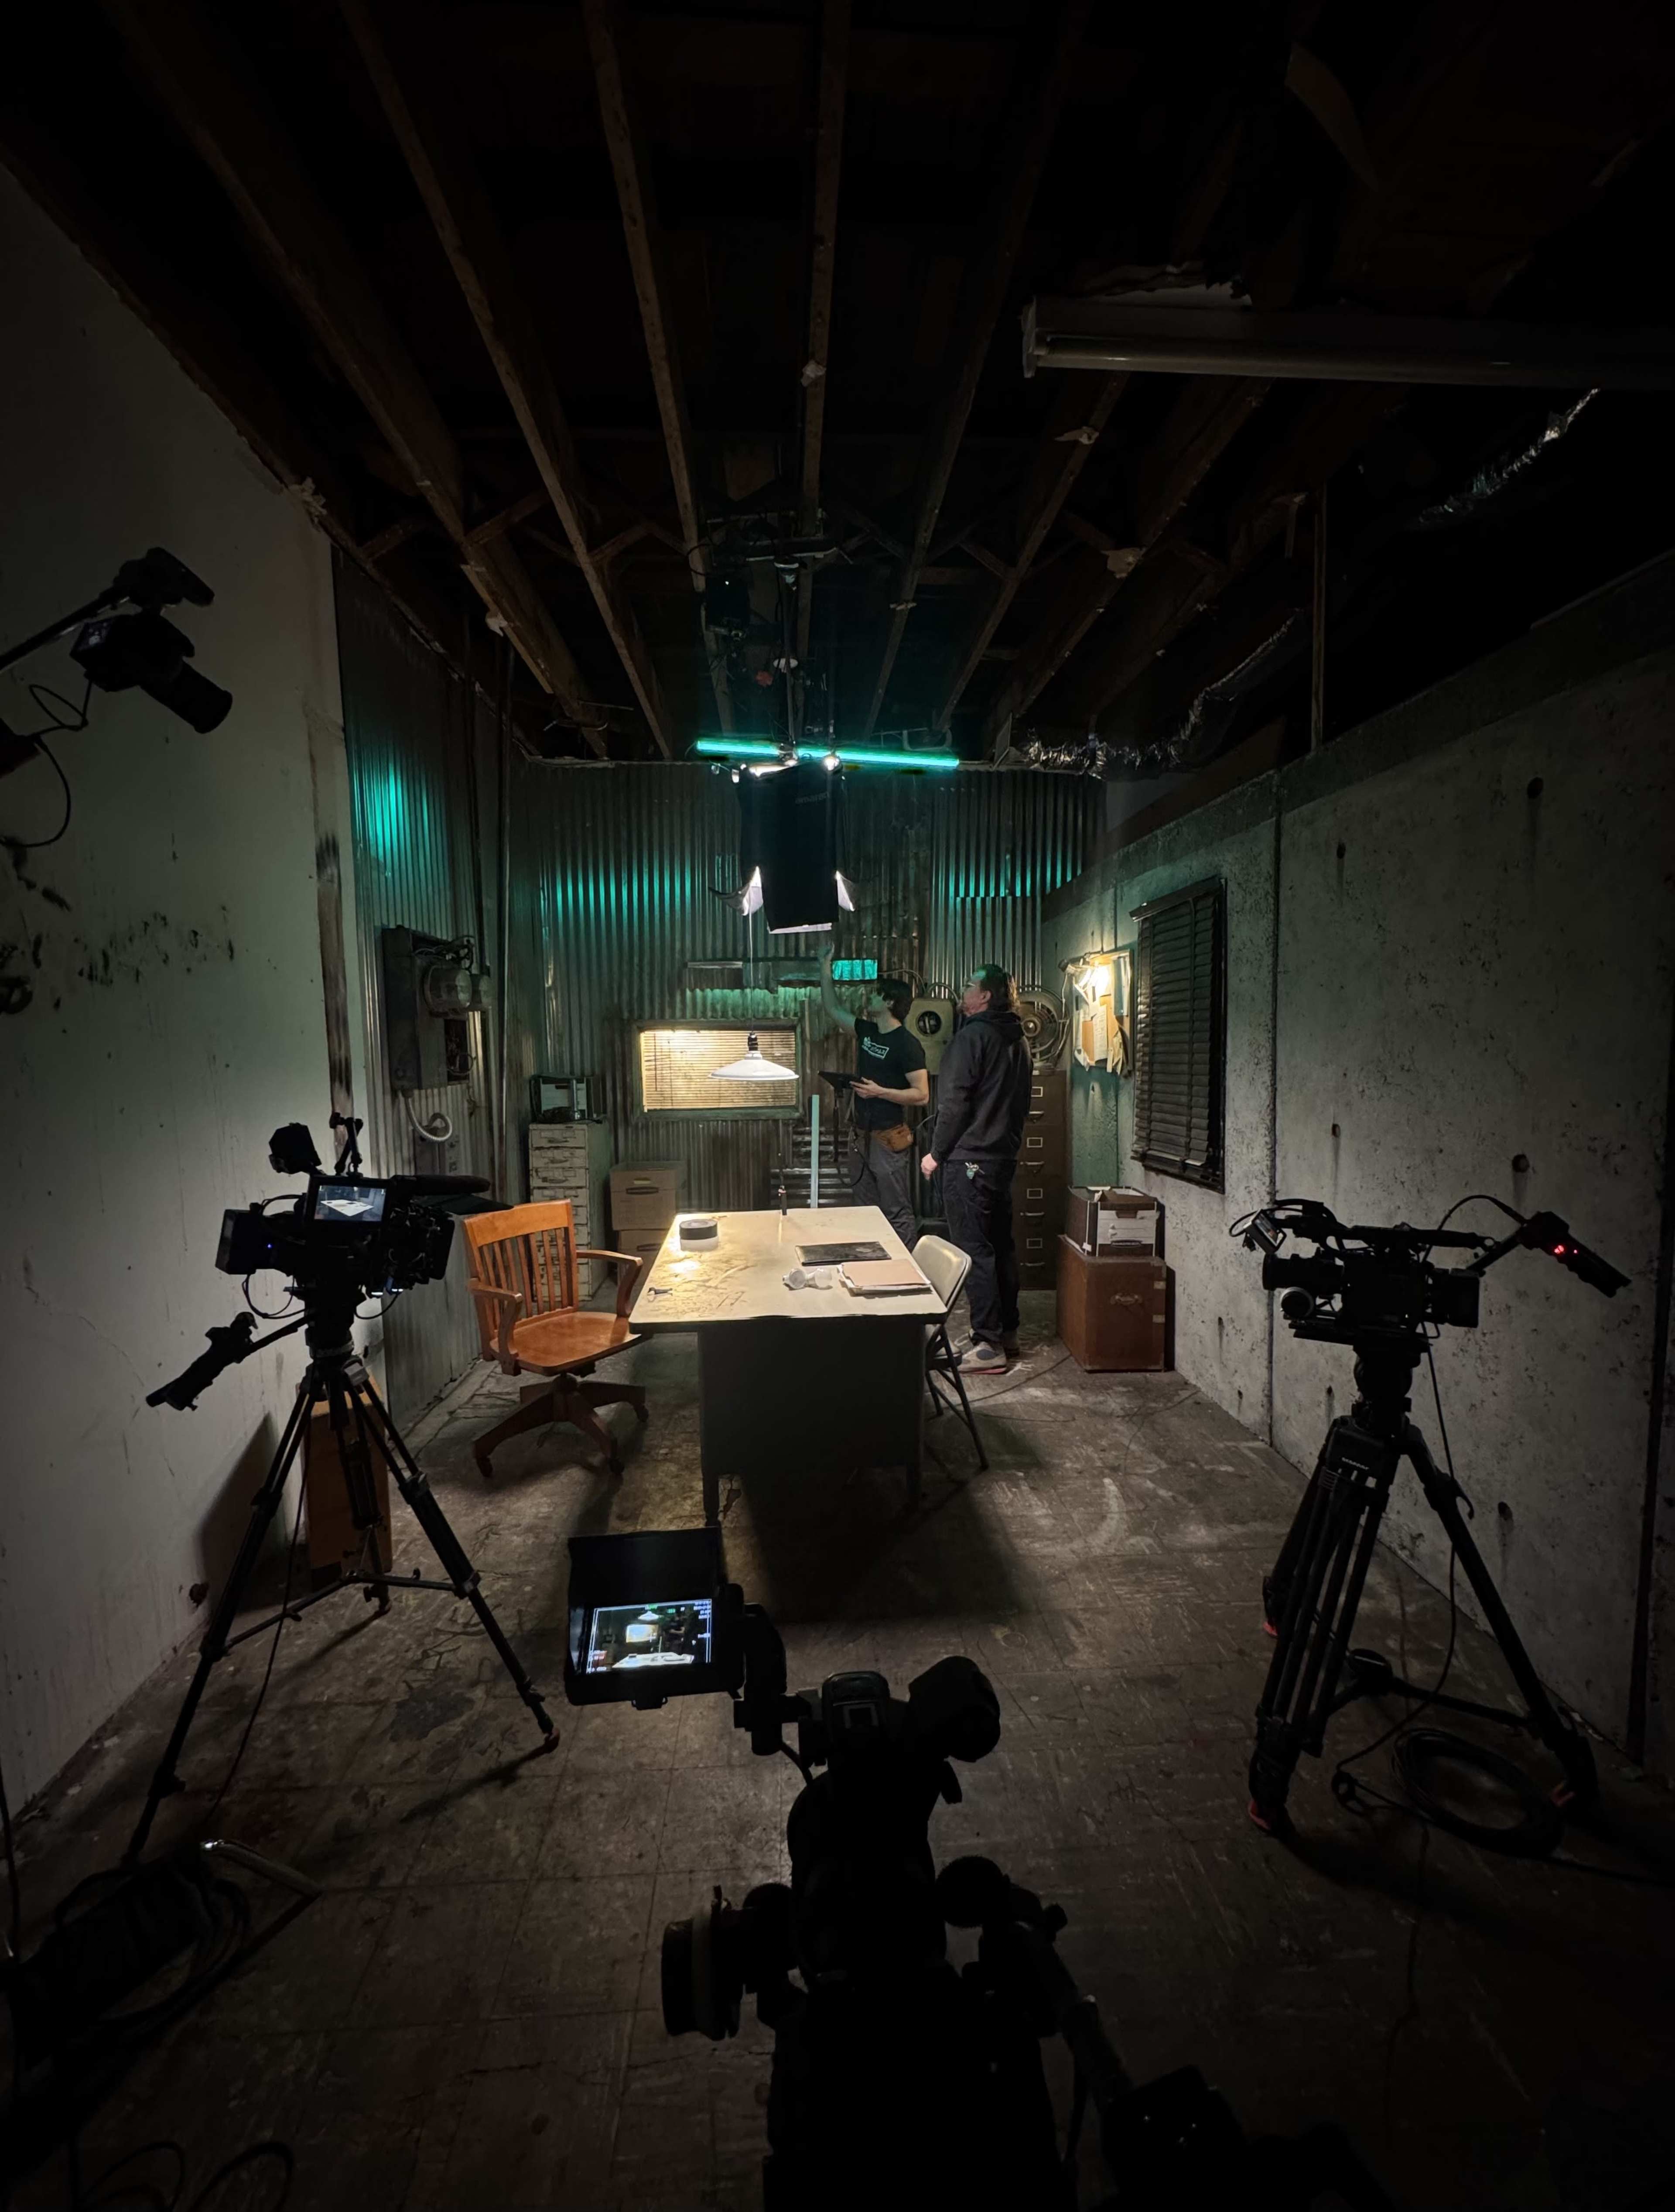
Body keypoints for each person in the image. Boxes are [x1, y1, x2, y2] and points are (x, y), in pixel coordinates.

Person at [920, 965, 1031, 1373]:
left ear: (984, 997)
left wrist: (936, 1154)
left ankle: (987, 1346)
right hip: (1001, 1158)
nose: (964, 990)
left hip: (970, 1159)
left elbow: (956, 1104)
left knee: (975, 1250)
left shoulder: (972, 1037)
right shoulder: (1017, 1039)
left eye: (970, 985)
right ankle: (1007, 1333)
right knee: (1001, 1245)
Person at [817, 949, 928, 1247]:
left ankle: (906, 1271)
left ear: (889, 1002)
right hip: (861, 1136)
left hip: (888, 1138)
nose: (869, 998)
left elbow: (921, 1095)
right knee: (866, 1208)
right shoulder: (867, 1032)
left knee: (897, 1210)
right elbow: (833, 1009)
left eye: (876, 995)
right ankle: (871, 1260)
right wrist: (824, 968)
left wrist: (881, 1092)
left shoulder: (908, 1045)